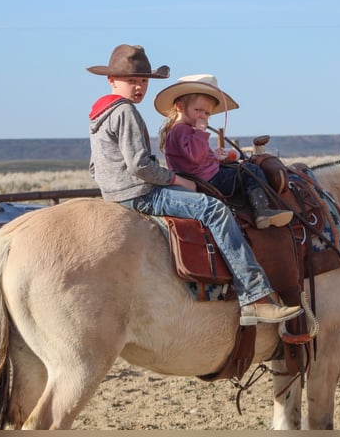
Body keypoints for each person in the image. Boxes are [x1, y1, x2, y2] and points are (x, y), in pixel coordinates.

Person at [87, 44, 302, 326]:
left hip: (117, 193)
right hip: (139, 194)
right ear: (112, 80)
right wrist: (175, 179)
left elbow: (94, 167)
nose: (138, 87)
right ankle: (255, 296)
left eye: (142, 81)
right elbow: (140, 166)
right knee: (214, 210)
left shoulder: (98, 114)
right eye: (131, 81)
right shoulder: (125, 112)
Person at [154, 74, 293, 229]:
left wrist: (214, 157)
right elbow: (194, 155)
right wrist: (201, 131)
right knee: (250, 170)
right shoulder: (181, 129)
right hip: (207, 180)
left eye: (207, 113)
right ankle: (262, 211)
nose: (203, 116)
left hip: (199, 176)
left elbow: (193, 157)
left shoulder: (180, 129)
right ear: (180, 107)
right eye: (198, 110)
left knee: (235, 167)